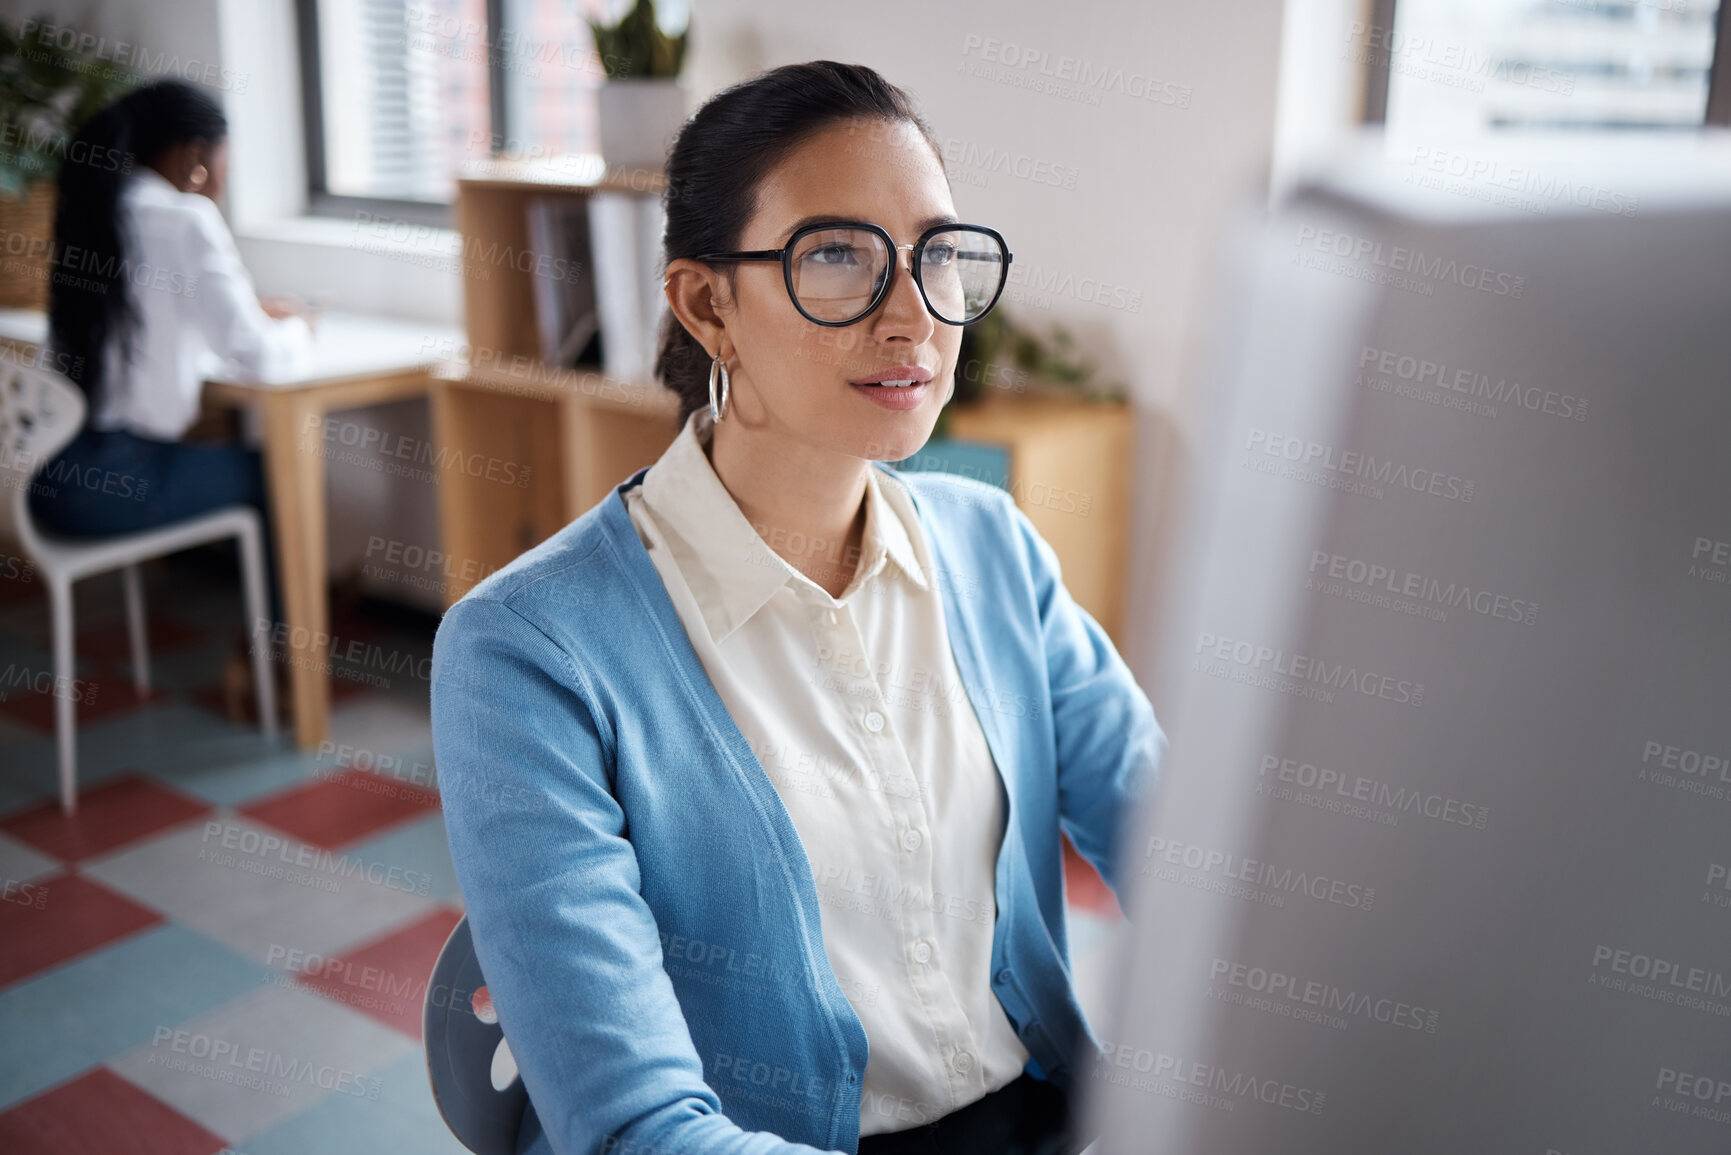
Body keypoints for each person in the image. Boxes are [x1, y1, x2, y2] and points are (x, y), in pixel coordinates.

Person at [430, 61, 1165, 1155]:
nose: (914, 316)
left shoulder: (992, 547)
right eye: (837, 258)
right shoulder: (530, 654)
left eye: (937, 258)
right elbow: (634, 1125)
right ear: (706, 303)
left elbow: (1181, 848)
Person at [34, 79, 314, 716]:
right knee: (274, 474)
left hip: (46, 476)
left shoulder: (99, 206)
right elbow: (262, 356)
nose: (223, 183)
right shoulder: (184, 218)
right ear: (195, 153)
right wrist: (299, 326)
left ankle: (269, 647)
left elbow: (156, 320)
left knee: (232, 452)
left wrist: (246, 316)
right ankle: (279, 667)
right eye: (224, 165)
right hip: (109, 481)